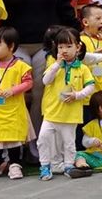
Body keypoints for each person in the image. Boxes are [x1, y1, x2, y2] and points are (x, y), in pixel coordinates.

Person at [0, 0, 79, 161]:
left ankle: (37, 148)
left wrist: (75, 36)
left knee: (43, 95)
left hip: (48, 45)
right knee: (17, 95)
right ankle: (12, 148)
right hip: (16, 45)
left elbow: (65, 8)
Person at [38, 26, 96, 180]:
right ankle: (45, 166)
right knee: (43, 139)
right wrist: (57, 65)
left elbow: (91, 86)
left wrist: (78, 95)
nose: (64, 50)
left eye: (69, 46)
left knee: (69, 143)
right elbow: (45, 81)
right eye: (61, 47)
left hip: (71, 115)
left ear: (78, 47)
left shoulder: (83, 68)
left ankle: (69, 166)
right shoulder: (54, 65)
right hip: (51, 113)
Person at [0, 27, 33, 180]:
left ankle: (15, 164)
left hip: (13, 109)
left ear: (11, 46)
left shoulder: (21, 66)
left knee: (13, 136)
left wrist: (13, 90)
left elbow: (28, 83)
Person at [79, 4, 102, 124]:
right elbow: (80, 61)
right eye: (98, 18)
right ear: (85, 22)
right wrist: (94, 56)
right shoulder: (80, 41)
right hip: (89, 95)